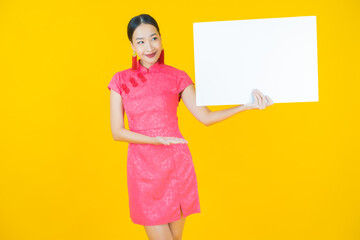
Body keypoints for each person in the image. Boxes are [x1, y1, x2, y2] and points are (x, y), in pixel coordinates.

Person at [108, 14, 274, 240]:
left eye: (154, 38)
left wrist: (246, 106)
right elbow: (117, 132)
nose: (149, 47)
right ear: (132, 45)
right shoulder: (120, 80)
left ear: (161, 39)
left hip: (175, 166)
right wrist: (156, 140)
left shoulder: (177, 77)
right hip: (143, 171)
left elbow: (205, 117)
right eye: (141, 41)